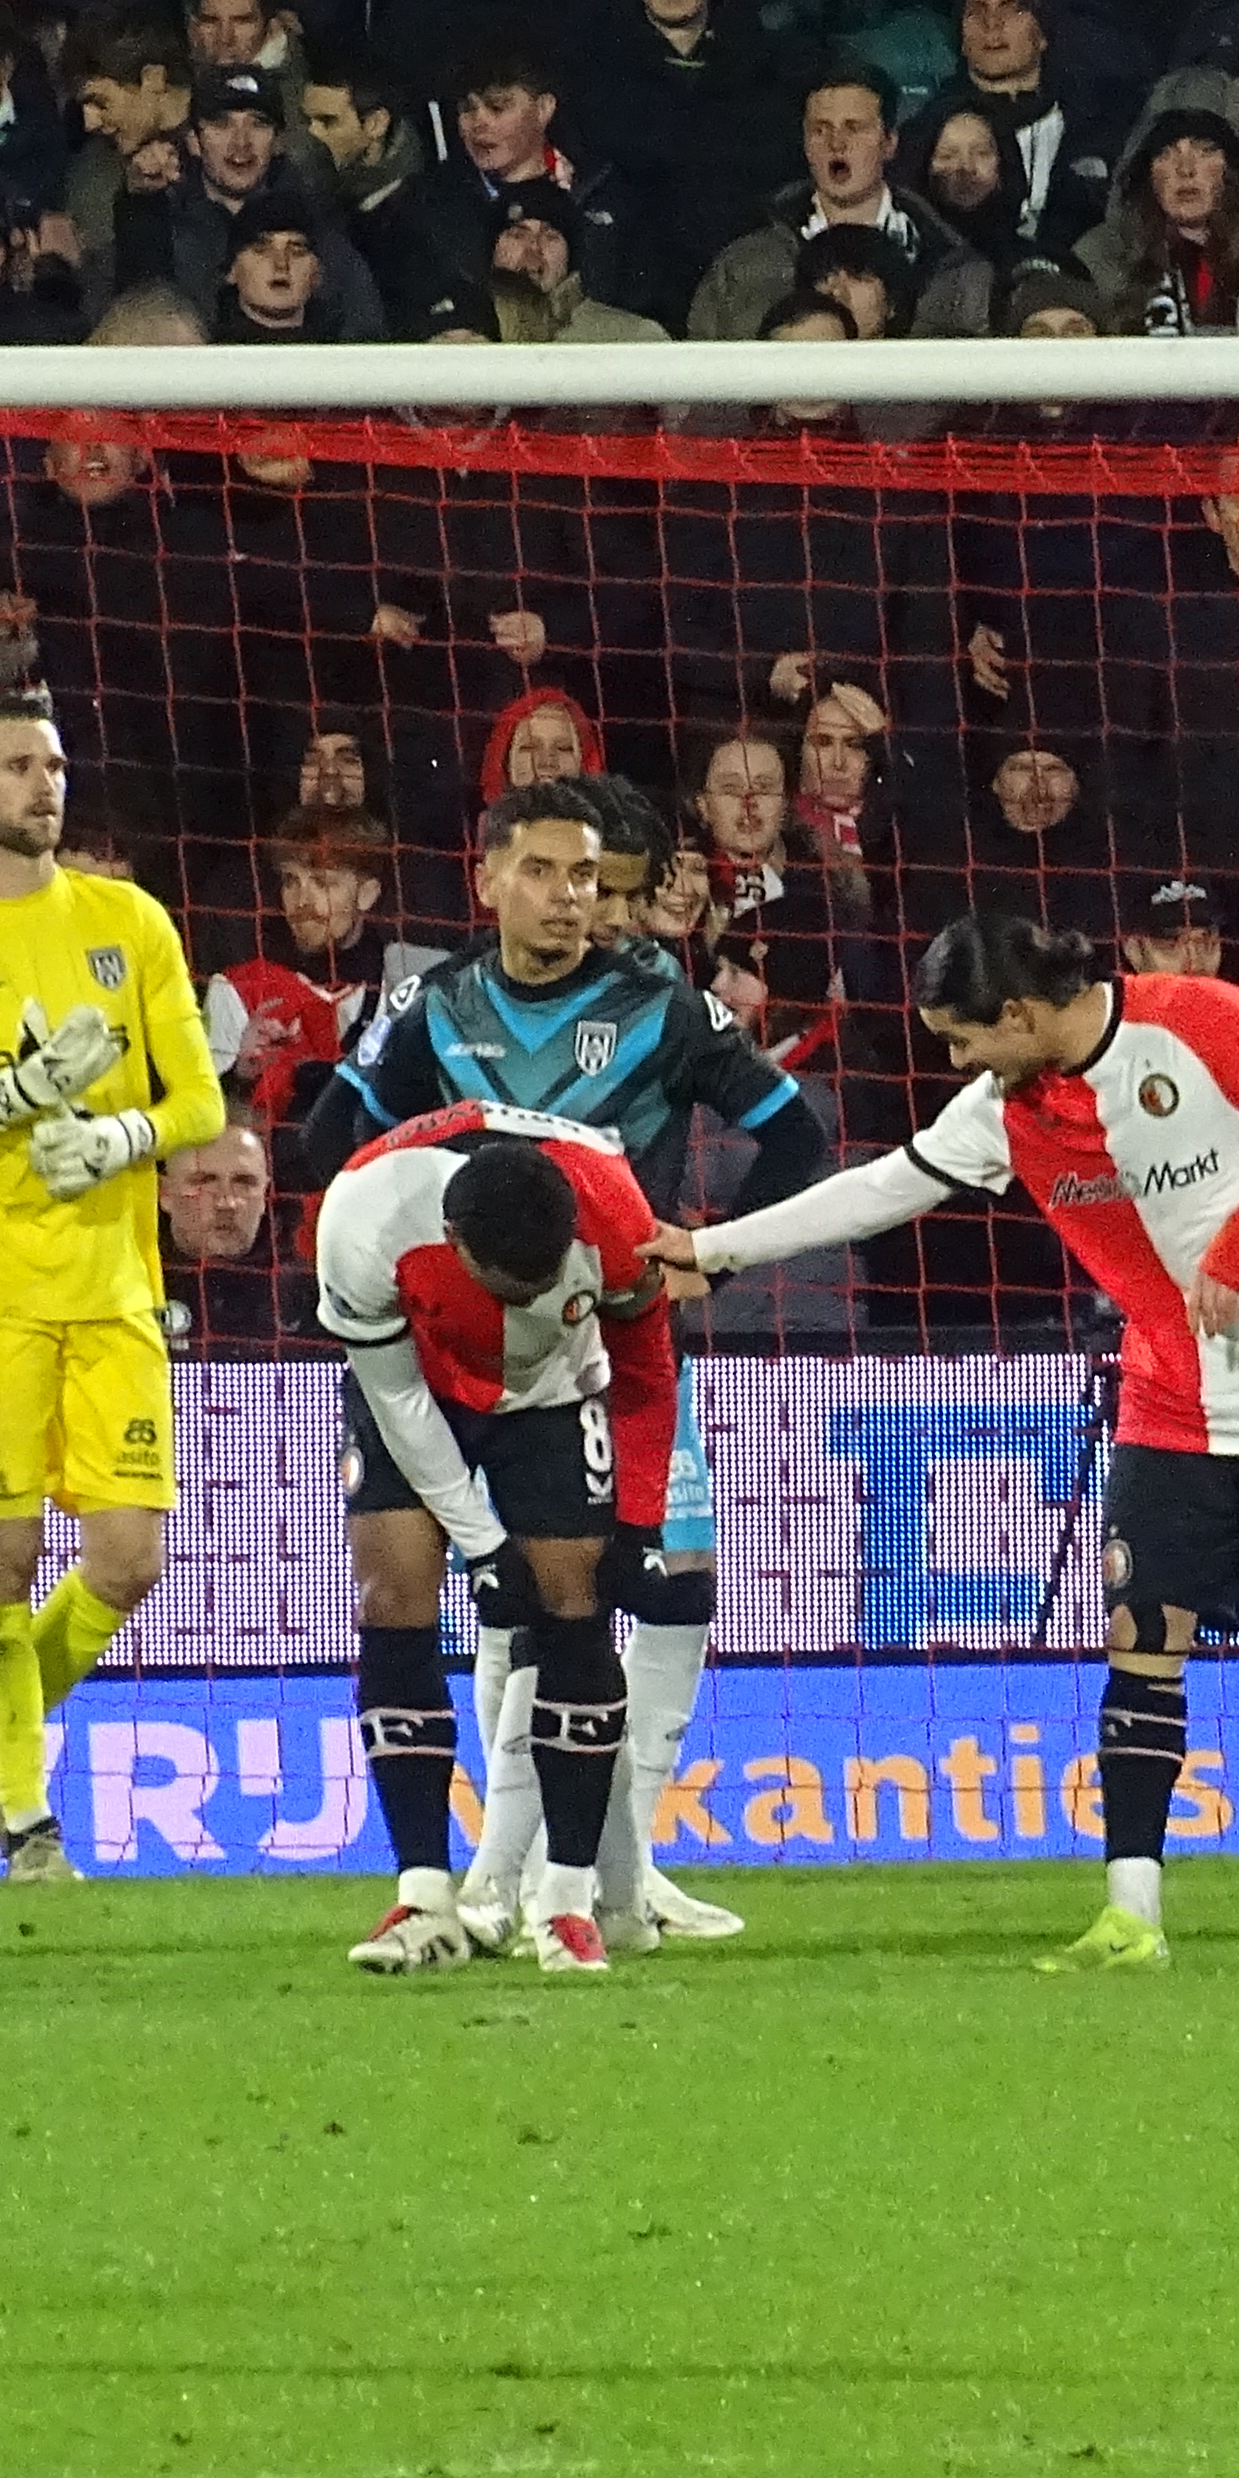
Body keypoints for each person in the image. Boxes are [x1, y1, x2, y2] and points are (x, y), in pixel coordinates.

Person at [654, 902, 1239, 1972]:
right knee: (1142, 1641)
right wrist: (713, 1249)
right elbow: (880, 1190)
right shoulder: (1006, 1109)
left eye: (964, 1039)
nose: (959, 1063)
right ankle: (1132, 1916)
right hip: (1166, 1402)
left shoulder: (1199, 1019)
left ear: (1016, 1013)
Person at [296, 784, 830, 1959]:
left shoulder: (663, 1007)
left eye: (586, 876)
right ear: (487, 878)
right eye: (540, 872)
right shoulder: (433, 1003)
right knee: (463, 1600)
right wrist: (413, 1206)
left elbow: (799, 1135)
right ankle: (488, 1882)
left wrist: (708, 1256)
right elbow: (326, 1138)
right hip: (447, 1341)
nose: (568, 898)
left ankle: (601, 1883)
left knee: (635, 1586)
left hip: (602, 1326)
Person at [0, 692, 223, 1884]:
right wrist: (12, 1102)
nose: (45, 785)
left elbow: (200, 1102)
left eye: (55, 765)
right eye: (19, 765)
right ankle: (27, 1823)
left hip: (113, 1279)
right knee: (5, 1557)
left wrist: (121, 1138)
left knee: (130, 1558)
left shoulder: (130, 921)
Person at [314, 1114, 680, 1978]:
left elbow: (647, 1365)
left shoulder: (614, 1213)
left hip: (556, 1399)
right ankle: (423, 1899)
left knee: (573, 1598)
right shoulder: (361, 1220)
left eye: (542, 1286)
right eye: (505, 1287)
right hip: (419, 1391)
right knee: (392, 1594)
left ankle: (567, 1904)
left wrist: (642, 1520)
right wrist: (481, 1546)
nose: (524, 1304)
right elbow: (397, 1402)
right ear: (452, 1239)